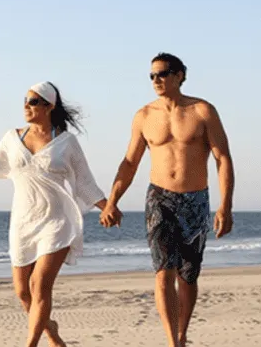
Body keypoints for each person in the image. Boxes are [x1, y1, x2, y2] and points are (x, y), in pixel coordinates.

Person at [0, 81, 120, 347]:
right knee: (22, 292)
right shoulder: (11, 138)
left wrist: (107, 206)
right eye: (25, 100)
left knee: (40, 285)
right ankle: (52, 333)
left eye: (33, 101)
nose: (26, 106)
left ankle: (30, 344)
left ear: (49, 106)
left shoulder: (66, 142)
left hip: (57, 221)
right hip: (23, 223)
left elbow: (85, 182)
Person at [99, 52, 235, 347]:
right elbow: (129, 163)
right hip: (159, 198)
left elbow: (222, 159)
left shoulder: (202, 111)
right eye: (152, 76)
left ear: (179, 75)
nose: (156, 80)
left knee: (188, 275)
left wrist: (226, 206)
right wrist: (112, 200)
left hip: (195, 200)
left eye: (162, 74)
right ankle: (172, 342)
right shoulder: (144, 115)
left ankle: (183, 334)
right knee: (163, 272)